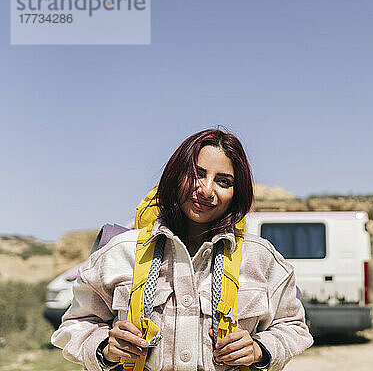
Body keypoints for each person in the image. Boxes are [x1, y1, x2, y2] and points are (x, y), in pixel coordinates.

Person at [51, 129, 313, 371]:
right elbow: (76, 324)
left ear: (237, 193)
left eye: (223, 181)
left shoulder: (260, 257)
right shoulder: (122, 252)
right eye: (197, 174)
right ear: (175, 175)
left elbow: (293, 327)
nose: (207, 189)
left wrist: (260, 350)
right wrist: (104, 347)